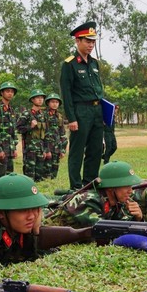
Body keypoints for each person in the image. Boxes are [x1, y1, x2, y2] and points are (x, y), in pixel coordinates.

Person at [60, 21, 104, 190]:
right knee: (78, 151)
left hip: (97, 110)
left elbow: (98, 88)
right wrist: (71, 118)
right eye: (87, 41)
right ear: (77, 41)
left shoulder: (94, 63)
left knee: (95, 149)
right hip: (81, 111)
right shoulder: (69, 64)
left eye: (93, 41)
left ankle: (90, 183)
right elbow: (67, 93)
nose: (91, 45)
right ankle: (76, 187)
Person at [45, 161, 144, 228]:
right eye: (126, 186)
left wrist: (138, 218)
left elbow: (120, 223)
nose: (131, 191)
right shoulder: (89, 200)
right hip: (45, 221)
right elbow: (102, 230)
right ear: (111, 187)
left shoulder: (116, 201)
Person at [0, 81, 19, 186]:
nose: (10, 93)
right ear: (2, 93)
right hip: (0, 149)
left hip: (9, 149)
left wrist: (14, 148)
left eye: (12, 91)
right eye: (7, 91)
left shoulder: (12, 110)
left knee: (9, 179)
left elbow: (13, 131)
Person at [17, 89, 50, 183]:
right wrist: (30, 127)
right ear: (32, 100)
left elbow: (46, 134)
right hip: (29, 150)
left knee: (39, 177)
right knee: (29, 178)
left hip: (40, 149)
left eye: (42, 98)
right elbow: (18, 128)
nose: (40, 99)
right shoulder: (26, 114)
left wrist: (45, 150)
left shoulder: (43, 115)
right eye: (38, 97)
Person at [44, 93, 68, 180]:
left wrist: (63, 150)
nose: (55, 104)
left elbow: (63, 134)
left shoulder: (59, 116)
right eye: (52, 102)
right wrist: (45, 150)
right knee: (45, 171)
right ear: (48, 103)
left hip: (57, 147)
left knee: (54, 171)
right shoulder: (43, 115)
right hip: (46, 147)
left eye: (57, 102)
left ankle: (52, 183)